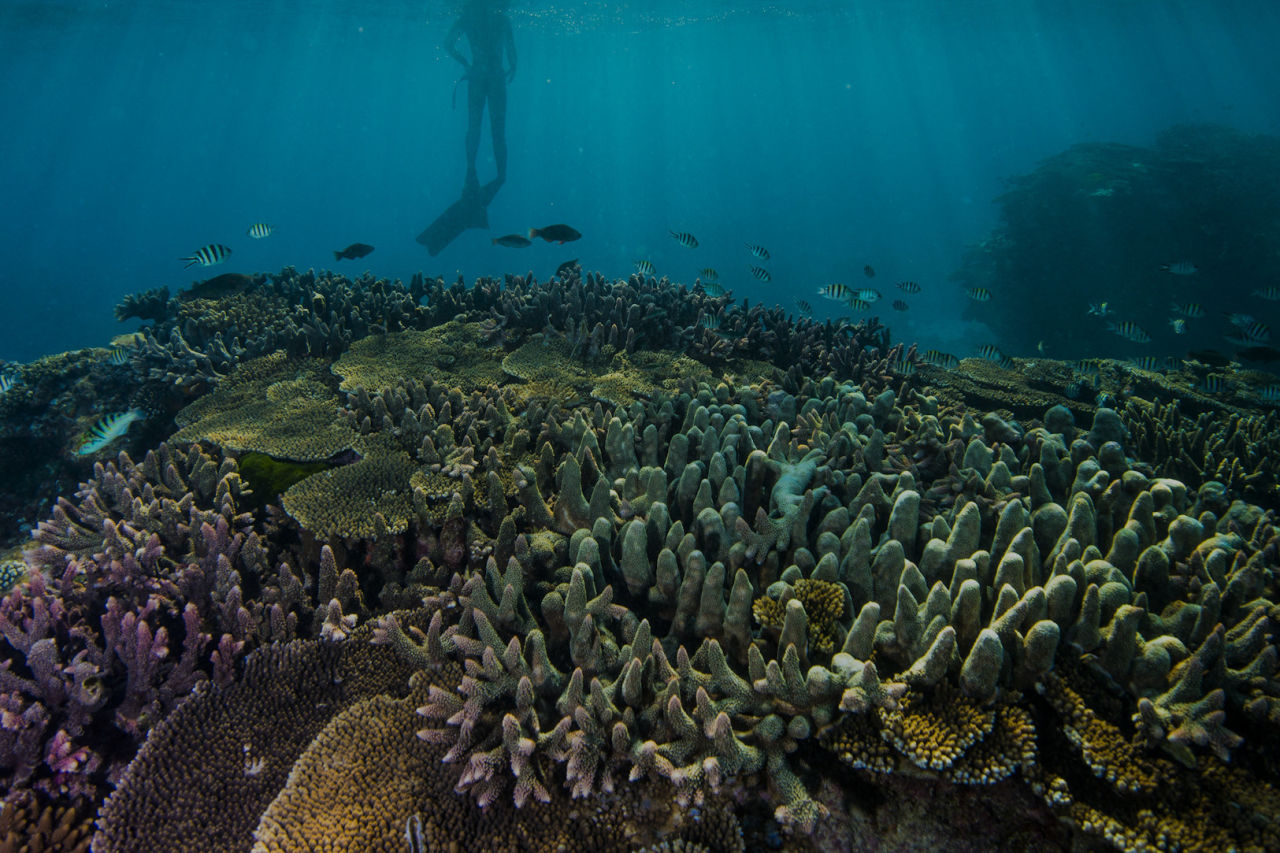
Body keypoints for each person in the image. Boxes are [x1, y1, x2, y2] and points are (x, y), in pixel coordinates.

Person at [444, 0, 516, 190]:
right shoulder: (502, 18)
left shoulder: (467, 17)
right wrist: (513, 66)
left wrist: (465, 63)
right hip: (496, 77)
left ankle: (470, 171)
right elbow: (512, 52)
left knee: (473, 127)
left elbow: (448, 44)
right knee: (498, 131)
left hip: (476, 75)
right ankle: (501, 175)